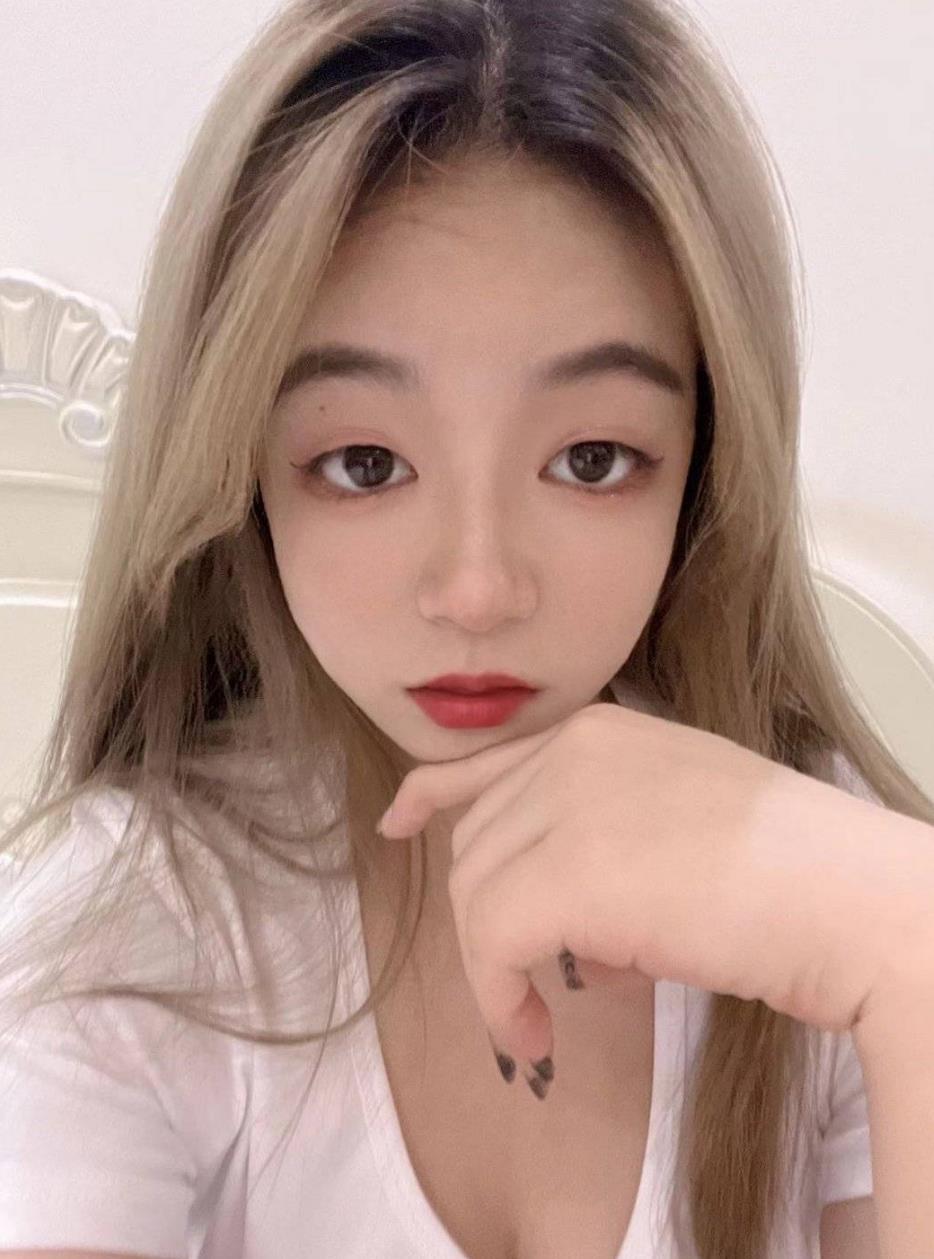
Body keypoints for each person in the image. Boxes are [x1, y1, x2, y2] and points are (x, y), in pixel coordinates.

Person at [1, 0, 932, 1256]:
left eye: (591, 458)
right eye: (366, 463)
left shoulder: (829, 891)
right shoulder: (129, 932)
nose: (480, 588)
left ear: (706, 466)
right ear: (242, 470)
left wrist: (908, 939)